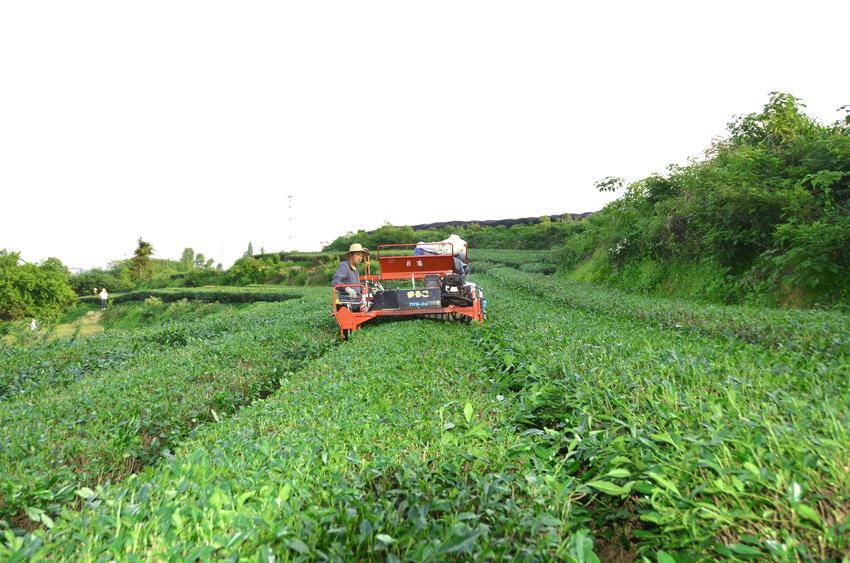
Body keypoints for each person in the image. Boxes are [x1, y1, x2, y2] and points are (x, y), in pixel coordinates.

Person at [332, 243, 367, 307]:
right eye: (358, 255)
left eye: (361, 256)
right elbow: (335, 282)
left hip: (356, 301)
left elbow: (356, 285)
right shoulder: (344, 266)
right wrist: (347, 289)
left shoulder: (356, 268)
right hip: (346, 302)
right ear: (351, 255)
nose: (360, 258)